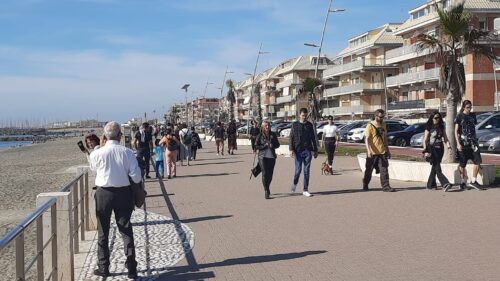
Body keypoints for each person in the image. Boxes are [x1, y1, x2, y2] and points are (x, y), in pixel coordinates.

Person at [89, 121, 140, 279]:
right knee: (125, 229)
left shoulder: (96, 153)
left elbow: (94, 169)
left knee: (103, 231)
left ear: (104, 136)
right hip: (123, 193)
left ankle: (104, 266)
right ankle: (131, 266)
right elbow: (136, 176)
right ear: (119, 135)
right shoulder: (127, 152)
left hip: (103, 193)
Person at [362, 109, 395, 192]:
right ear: (376, 116)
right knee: (369, 171)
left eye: (383, 117)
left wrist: (387, 150)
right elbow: (366, 139)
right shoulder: (370, 125)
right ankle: (365, 184)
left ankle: (386, 187)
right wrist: (369, 151)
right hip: (372, 153)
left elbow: (385, 138)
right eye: (380, 117)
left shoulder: (383, 124)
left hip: (382, 152)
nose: (381, 118)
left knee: (384, 170)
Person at [289, 108, 318, 197]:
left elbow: (313, 138)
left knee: (306, 171)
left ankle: (305, 190)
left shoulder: (309, 125)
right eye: (302, 115)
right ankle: (294, 183)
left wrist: (315, 150)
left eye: (305, 116)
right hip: (297, 151)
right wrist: (291, 149)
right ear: (299, 115)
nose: (304, 117)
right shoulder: (295, 125)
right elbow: (291, 137)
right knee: (298, 171)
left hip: (307, 151)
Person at [455, 100, 483, 190]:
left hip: (473, 143)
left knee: (478, 161)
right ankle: (463, 182)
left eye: (470, 107)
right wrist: (458, 143)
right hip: (463, 143)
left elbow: (473, 127)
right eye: (467, 107)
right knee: (462, 164)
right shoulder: (459, 116)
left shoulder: (473, 116)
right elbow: (456, 131)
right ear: (463, 107)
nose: (469, 109)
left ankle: (474, 181)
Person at [423, 111, 453, 191]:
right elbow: (425, 140)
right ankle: (445, 183)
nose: (438, 119)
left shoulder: (441, 126)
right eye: (436, 118)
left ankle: (430, 185)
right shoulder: (429, 127)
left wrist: (449, 148)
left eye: (439, 118)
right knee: (437, 167)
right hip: (432, 149)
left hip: (440, 149)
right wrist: (425, 150)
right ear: (432, 118)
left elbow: (446, 138)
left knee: (435, 167)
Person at [255, 121, 280, 199]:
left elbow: (278, 144)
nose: (267, 127)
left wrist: (273, 145)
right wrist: (264, 146)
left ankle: (267, 186)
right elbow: (256, 146)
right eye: (266, 126)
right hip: (262, 157)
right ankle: (266, 190)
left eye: (268, 125)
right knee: (265, 173)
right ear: (262, 127)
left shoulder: (273, 134)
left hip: (271, 157)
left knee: (270, 175)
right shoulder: (259, 135)